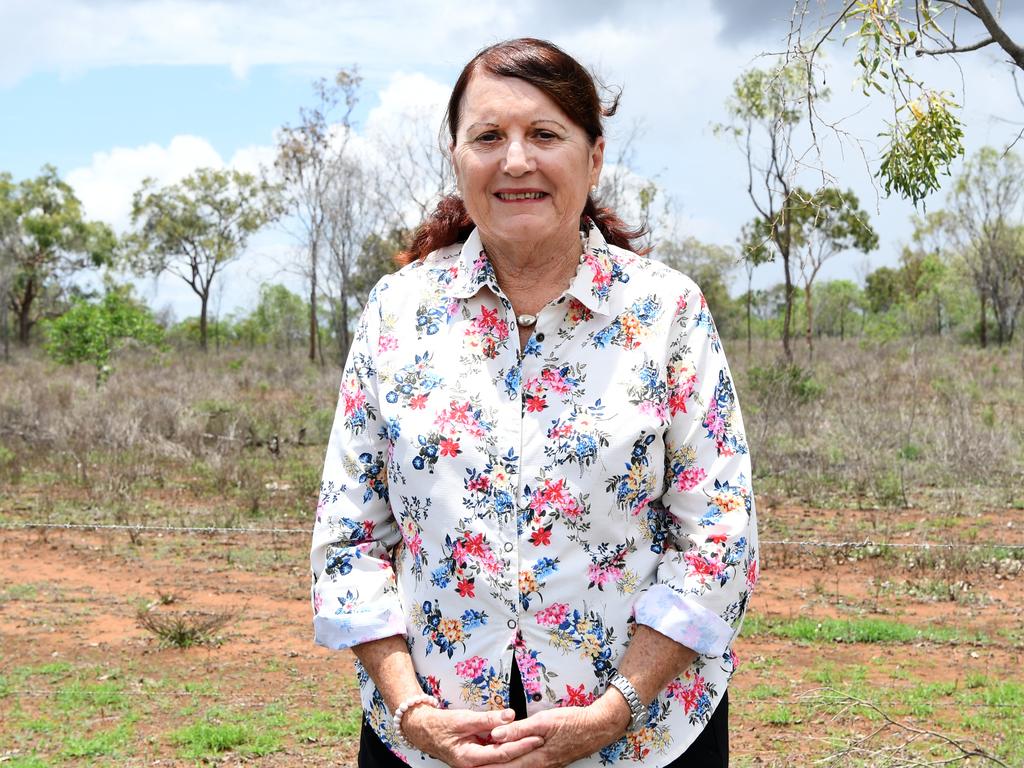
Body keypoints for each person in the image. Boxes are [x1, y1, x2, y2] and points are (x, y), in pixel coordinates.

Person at [310, 37, 758, 767]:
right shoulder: (397, 313)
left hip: (643, 738)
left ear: (595, 156)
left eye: (545, 134)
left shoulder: (666, 311)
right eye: (488, 137)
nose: (516, 160)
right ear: (457, 158)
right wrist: (413, 712)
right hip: (432, 737)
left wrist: (614, 713)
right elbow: (349, 537)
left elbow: (717, 536)